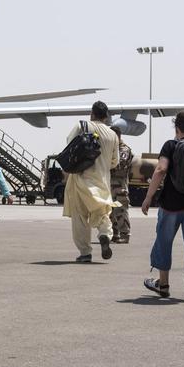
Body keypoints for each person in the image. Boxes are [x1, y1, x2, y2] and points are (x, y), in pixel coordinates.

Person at [141, 111, 184, 302]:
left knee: (163, 243)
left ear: (177, 128)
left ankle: (163, 285)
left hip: (170, 206)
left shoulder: (171, 146)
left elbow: (161, 169)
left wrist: (148, 197)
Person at [62, 101, 120, 263]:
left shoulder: (83, 126)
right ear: (106, 116)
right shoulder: (112, 135)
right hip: (102, 181)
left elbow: (69, 143)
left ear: (92, 113)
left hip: (81, 178)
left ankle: (85, 252)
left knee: (80, 217)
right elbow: (115, 162)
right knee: (102, 213)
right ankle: (104, 235)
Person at [109, 127, 134, 244]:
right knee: (111, 211)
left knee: (120, 210)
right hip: (110, 185)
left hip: (119, 186)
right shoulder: (111, 150)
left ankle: (125, 234)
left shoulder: (124, 150)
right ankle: (115, 233)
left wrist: (105, 163)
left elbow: (120, 164)